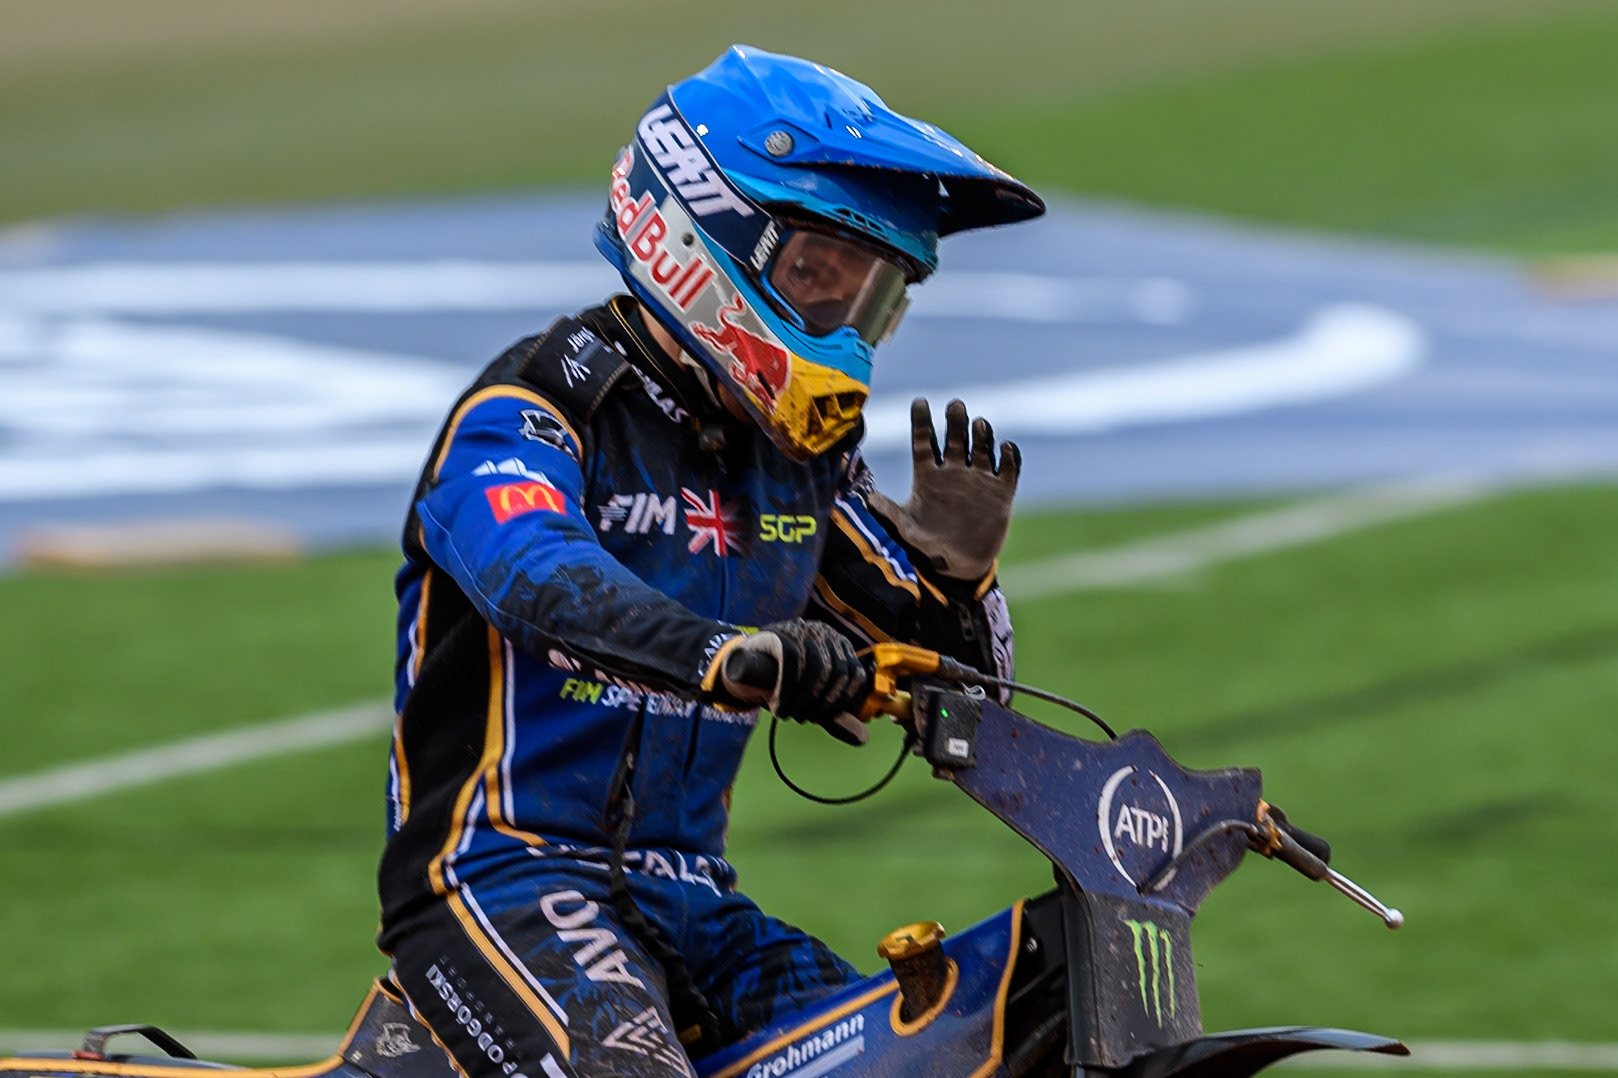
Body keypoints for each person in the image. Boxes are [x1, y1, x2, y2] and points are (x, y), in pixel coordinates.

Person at [377, 44, 1044, 1078]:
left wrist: (957, 584)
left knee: (936, 1054)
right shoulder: (537, 404)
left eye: (871, 295)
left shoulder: (796, 459)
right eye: (817, 274)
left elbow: (967, 701)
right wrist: (736, 653)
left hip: (690, 895)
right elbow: (539, 577)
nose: (844, 323)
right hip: (501, 880)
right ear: (698, 234)